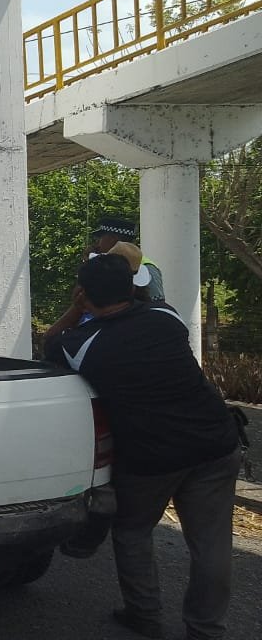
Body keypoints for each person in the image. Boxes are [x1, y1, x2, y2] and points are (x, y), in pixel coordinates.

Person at [44, 254, 240, 640]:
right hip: (215, 443)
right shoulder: (166, 318)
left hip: (151, 458)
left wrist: (74, 308)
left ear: (83, 293)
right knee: (212, 543)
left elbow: (49, 342)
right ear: (132, 288)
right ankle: (206, 629)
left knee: (133, 531)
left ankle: (145, 615)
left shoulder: (80, 344)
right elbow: (148, 304)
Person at [90, 217, 164, 302]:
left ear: (112, 239)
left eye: (100, 238)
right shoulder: (105, 264)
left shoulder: (147, 268)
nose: (97, 244)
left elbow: (157, 305)